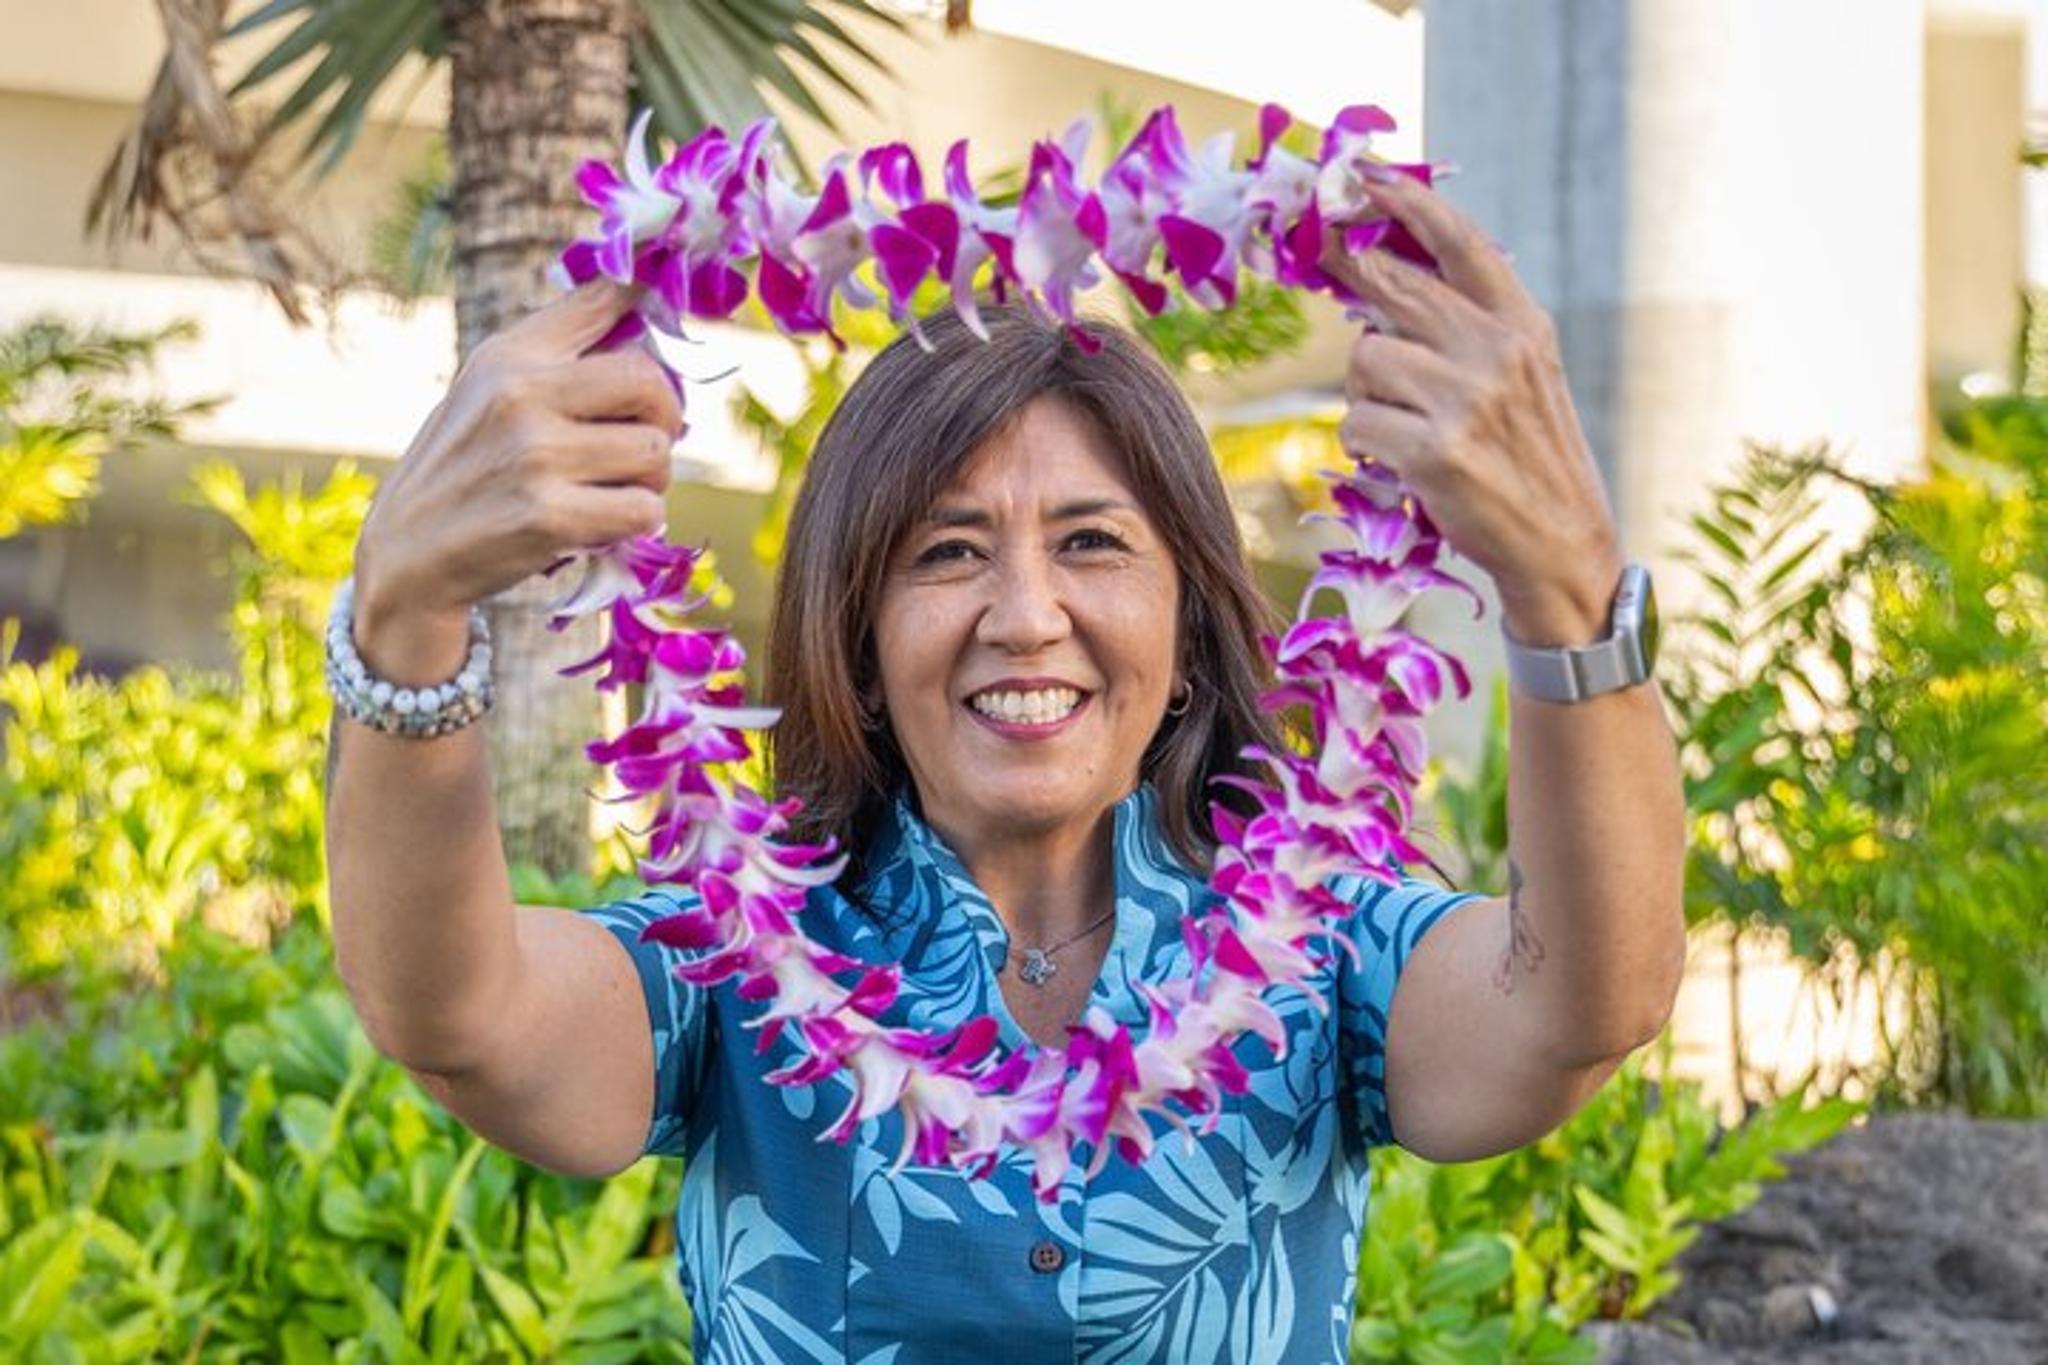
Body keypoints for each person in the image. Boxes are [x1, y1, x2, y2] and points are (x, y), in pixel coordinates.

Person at [326, 172, 1687, 1363]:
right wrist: (403, 608)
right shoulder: (735, 954)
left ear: (1187, 622)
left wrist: (1563, 585)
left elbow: (1579, 1004)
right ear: (858, 634)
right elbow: (461, 1015)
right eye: (948, 551)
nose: (1026, 614)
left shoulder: (1324, 937)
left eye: (1093, 542)